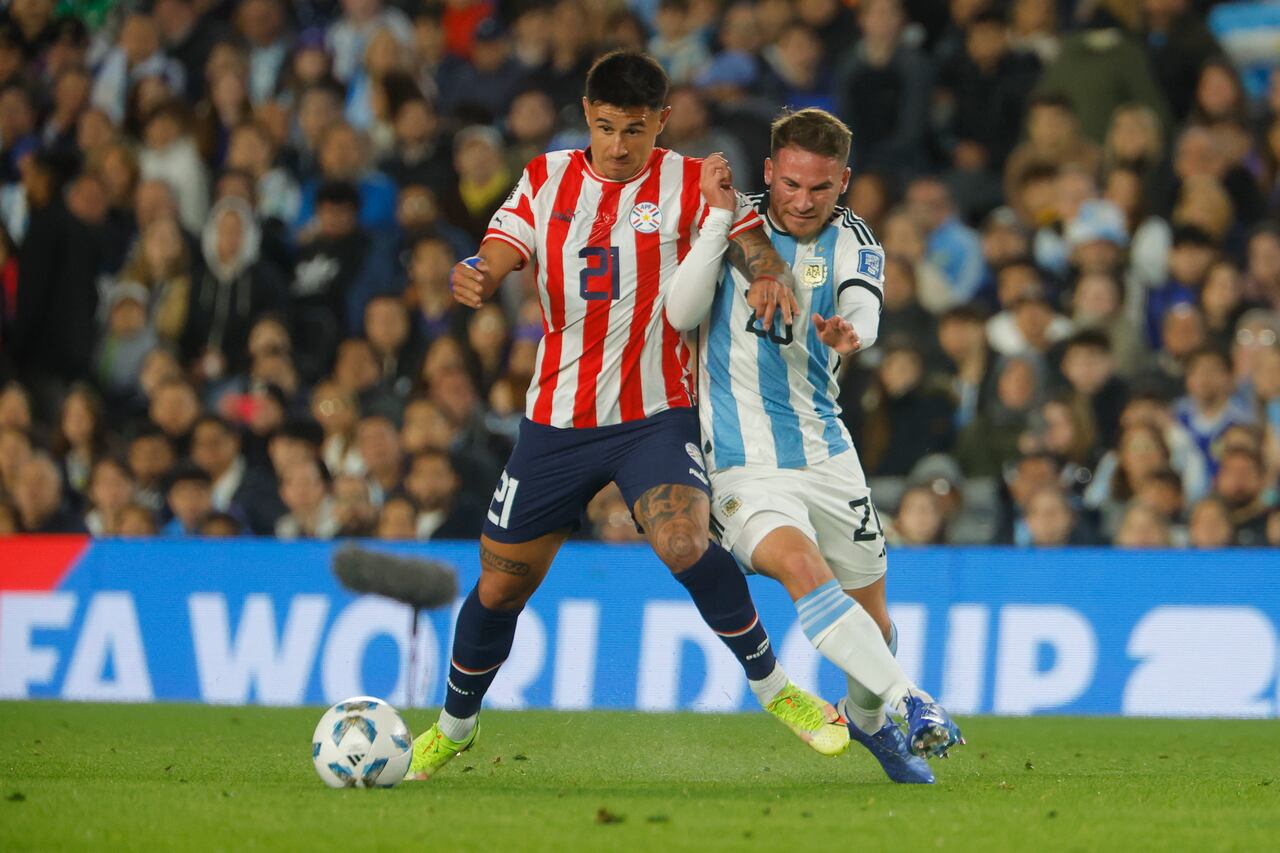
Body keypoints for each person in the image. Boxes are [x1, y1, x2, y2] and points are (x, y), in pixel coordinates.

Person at [407, 51, 843, 782]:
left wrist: (768, 275)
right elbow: (503, 243)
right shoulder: (546, 178)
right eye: (606, 127)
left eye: (634, 130)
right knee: (499, 587)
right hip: (556, 421)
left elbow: (749, 240)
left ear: (661, 123)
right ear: (586, 115)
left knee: (682, 541)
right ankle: (454, 725)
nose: (617, 145)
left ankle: (779, 692)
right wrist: (480, 272)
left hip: (656, 416)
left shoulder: (687, 179)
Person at [666, 107, 963, 783]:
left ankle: (866, 721)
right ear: (769, 170)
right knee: (802, 566)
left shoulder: (854, 238)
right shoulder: (732, 220)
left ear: (843, 182)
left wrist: (853, 334)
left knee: (875, 620)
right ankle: (910, 700)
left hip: (827, 451)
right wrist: (716, 223)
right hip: (742, 461)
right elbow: (680, 314)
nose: (802, 201)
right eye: (791, 183)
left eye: (820, 188)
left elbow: (865, 304)